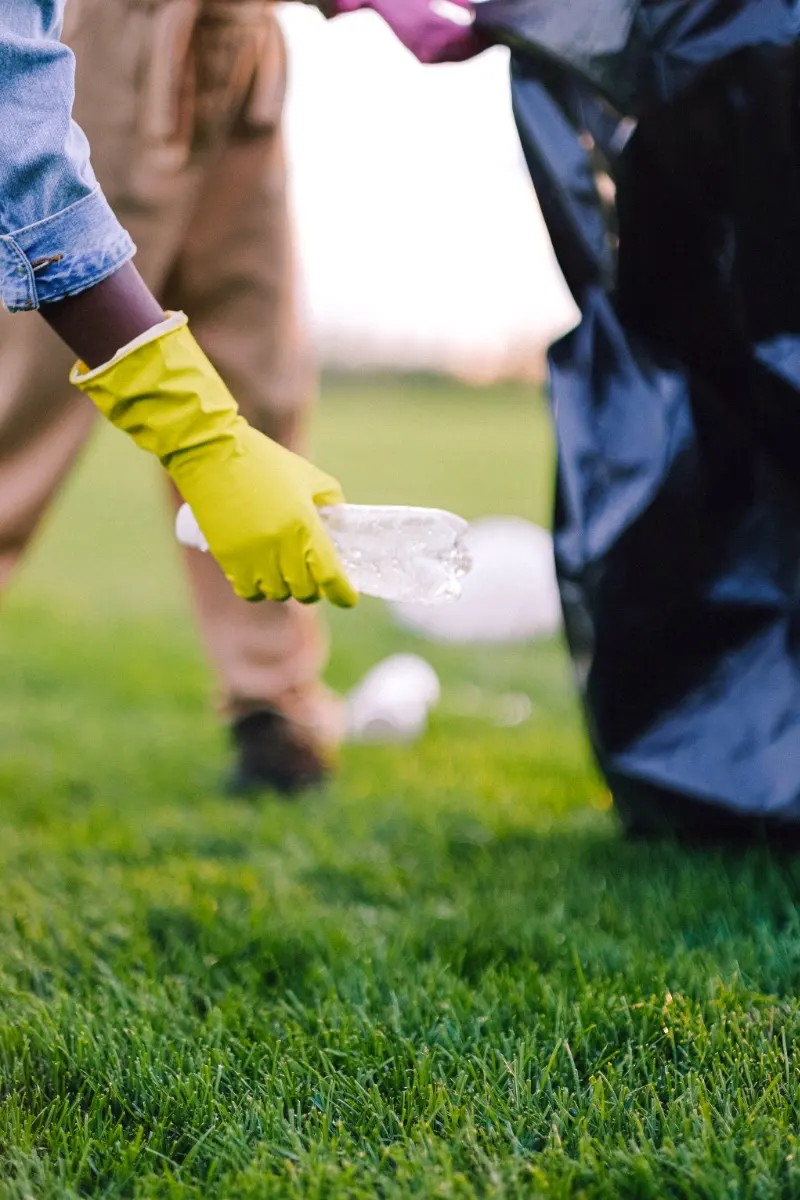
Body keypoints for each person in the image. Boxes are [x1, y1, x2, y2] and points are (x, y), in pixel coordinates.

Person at [0, 0, 486, 792]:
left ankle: (274, 702)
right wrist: (195, 433)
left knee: (257, 378)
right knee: (21, 406)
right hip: (119, 33)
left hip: (243, 34)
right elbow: (27, 174)